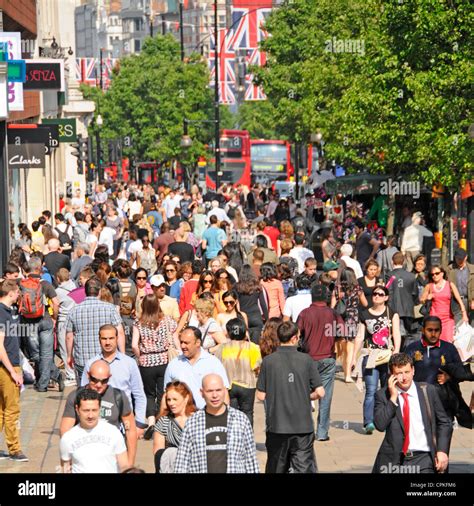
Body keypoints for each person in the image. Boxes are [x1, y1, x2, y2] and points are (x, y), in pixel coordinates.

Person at [257, 321, 324, 473]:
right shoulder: (306, 360)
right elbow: (320, 392)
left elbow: (261, 395)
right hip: (302, 426)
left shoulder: (268, 361)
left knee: (276, 467)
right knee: (303, 468)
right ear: (294, 338)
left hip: (277, 425)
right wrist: (305, 396)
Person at [372, 353, 451, 474]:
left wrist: (442, 451)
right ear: (391, 374)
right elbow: (380, 425)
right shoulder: (383, 395)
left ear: (413, 370)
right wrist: (393, 398)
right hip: (395, 460)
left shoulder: (428, 391)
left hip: (424, 458)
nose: (404, 377)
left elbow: (444, 422)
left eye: (407, 372)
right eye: (399, 373)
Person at [175, 374, 259, 473]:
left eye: (218, 390)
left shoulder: (241, 420)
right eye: (209, 391)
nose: (215, 395)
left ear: (224, 390)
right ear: (202, 393)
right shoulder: (192, 422)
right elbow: (182, 461)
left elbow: (250, 460)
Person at [60, 360, 137, 467]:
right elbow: (65, 431)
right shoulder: (75, 396)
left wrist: (130, 464)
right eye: (94, 380)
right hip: (83, 457)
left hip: (112, 459)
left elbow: (131, 430)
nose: (98, 385)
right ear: (88, 375)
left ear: (109, 377)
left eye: (104, 381)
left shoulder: (118, 396)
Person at [405, 316, 472, 434]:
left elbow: (461, 372)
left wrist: (449, 377)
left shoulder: (449, 349)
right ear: (423, 330)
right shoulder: (412, 348)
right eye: (429, 330)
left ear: (441, 330)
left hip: (444, 402)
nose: (433, 333)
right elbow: (402, 371)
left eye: (436, 330)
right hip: (418, 401)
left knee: (442, 443)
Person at [81, 324, 147, 436]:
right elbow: (83, 394)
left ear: (117, 338)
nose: (107, 342)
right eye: (104, 339)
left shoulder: (129, 363)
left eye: (111, 338)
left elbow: (139, 394)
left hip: (124, 423)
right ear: (99, 340)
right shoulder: (91, 364)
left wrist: (139, 423)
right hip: (96, 422)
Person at [354, 286, 401, 434]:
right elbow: (360, 336)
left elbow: (396, 334)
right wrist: (354, 358)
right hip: (371, 355)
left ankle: (385, 419)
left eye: (381, 294)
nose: (377, 296)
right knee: (371, 389)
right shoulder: (364, 314)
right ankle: (369, 422)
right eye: (374, 294)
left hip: (387, 356)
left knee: (387, 388)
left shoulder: (392, 313)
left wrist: (397, 352)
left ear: (386, 297)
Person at [297, 284, 342, 442]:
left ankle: (305, 429)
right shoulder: (333, 314)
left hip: (307, 359)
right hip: (328, 357)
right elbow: (341, 332)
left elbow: (296, 333)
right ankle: (322, 433)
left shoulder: (305, 313)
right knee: (326, 395)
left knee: (303, 394)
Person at [132, 294, 177, 439]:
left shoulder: (139, 324)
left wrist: (141, 356)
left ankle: (150, 422)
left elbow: (134, 345)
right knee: (162, 393)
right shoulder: (167, 321)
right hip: (164, 360)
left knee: (149, 394)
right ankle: (160, 421)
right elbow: (175, 337)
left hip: (146, 362)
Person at [66, 277, 125, 383]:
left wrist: (69, 356)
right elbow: (120, 332)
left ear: (85, 292)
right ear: (100, 291)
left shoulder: (74, 310)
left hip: (83, 359)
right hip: (106, 359)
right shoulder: (110, 308)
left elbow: (69, 336)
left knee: (84, 393)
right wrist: (123, 354)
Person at [19, 257, 63, 393]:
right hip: (46, 321)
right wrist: (55, 317)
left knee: (35, 355)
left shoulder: (22, 284)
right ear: (39, 269)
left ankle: (43, 383)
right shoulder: (45, 284)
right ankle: (55, 376)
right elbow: (56, 302)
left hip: (28, 322)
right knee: (46, 354)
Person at [60, 389, 129, 473]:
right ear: (77, 409)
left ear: (100, 409)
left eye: (94, 410)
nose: (90, 415)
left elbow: (124, 466)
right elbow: (65, 468)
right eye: (86, 410)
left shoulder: (113, 432)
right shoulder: (68, 438)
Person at [164, 327, 230, 410]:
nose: (182, 346)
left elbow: (224, 391)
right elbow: (166, 394)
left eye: (186, 343)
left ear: (198, 342)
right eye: (181, 342)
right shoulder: (173, 364)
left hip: (207, 417)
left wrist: (225, 417)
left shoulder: (213, 363)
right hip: (181, 418)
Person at [214, 318, 262, 426]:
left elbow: (216, 366)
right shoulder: (253, 348)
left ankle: (233, 437)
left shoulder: (222, 348)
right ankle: (247, 438)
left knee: (231, 414)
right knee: (247, 412)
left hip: (229, 385)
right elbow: (257, 367)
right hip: (248, 385)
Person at [0, 280, 28, 462]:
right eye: (17, 292)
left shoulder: (7, 312)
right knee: (12, 410)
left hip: (6, 365)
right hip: (7, 366)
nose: (19, 295)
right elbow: (0, 346)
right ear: (11, 292)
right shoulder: (2, 314)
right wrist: (13, 371)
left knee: (2, 410)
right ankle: (14, 449)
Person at [331, 267, 367, 382]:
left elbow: (332, 306)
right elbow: (365, 303)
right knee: (350, 346)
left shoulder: (337, 289)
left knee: (338, 345)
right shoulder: (358, 289)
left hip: (340, 318)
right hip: (352, 318)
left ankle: (330, 370)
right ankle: (347, 375)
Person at [153, 381, 197, 473]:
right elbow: (158, 455)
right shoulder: (164, 422)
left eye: (175, 399)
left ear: (186, 398)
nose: (171, 403)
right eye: (169, 400)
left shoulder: (198, 419)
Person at [420, 265, 467, 343]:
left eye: (437, 273)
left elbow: (459, 300)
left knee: (448, 341)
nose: (434, 276)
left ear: (442, 273)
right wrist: (427, 297)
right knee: (435, 342)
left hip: (448, 319)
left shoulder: (450, 285)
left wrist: (464, 314)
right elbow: (421, 300)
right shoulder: (429, 286)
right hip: (434, 320)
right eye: (432, 274)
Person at [386, 252, 417, 348]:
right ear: (403, 262)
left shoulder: (389, 276)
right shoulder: (411, 276)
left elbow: (387, 290)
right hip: (408, 309)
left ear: (392, 262)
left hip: (393, 308)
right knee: (408, 334)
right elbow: (414, 293)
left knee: (395, 334)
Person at [235, 265, 269, 344]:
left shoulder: (236, 287)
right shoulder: (257, 286)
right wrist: (267, 319)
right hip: (256, 317)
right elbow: (263, 304)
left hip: (242, 317)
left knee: (242, 344)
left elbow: (236, 303)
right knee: (256, 345)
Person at [55, 268, 77, 386]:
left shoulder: (58, 291)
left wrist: (54, 318)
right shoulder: (74, 286)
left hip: (63, 321)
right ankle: (75, 373)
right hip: (75, 320)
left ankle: (70, 374)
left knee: (64, 349)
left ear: (58, 278)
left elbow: (56, 306)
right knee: (74, 348)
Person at [446, 248, 474, 325]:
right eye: (458, 259)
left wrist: (473, 300)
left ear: (466, 257)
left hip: (469, 300)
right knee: (459, 326)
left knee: (472, 326)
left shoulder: (472, 269)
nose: (460, 261)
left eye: (462, 259)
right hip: (456, 301)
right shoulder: (450, 269)